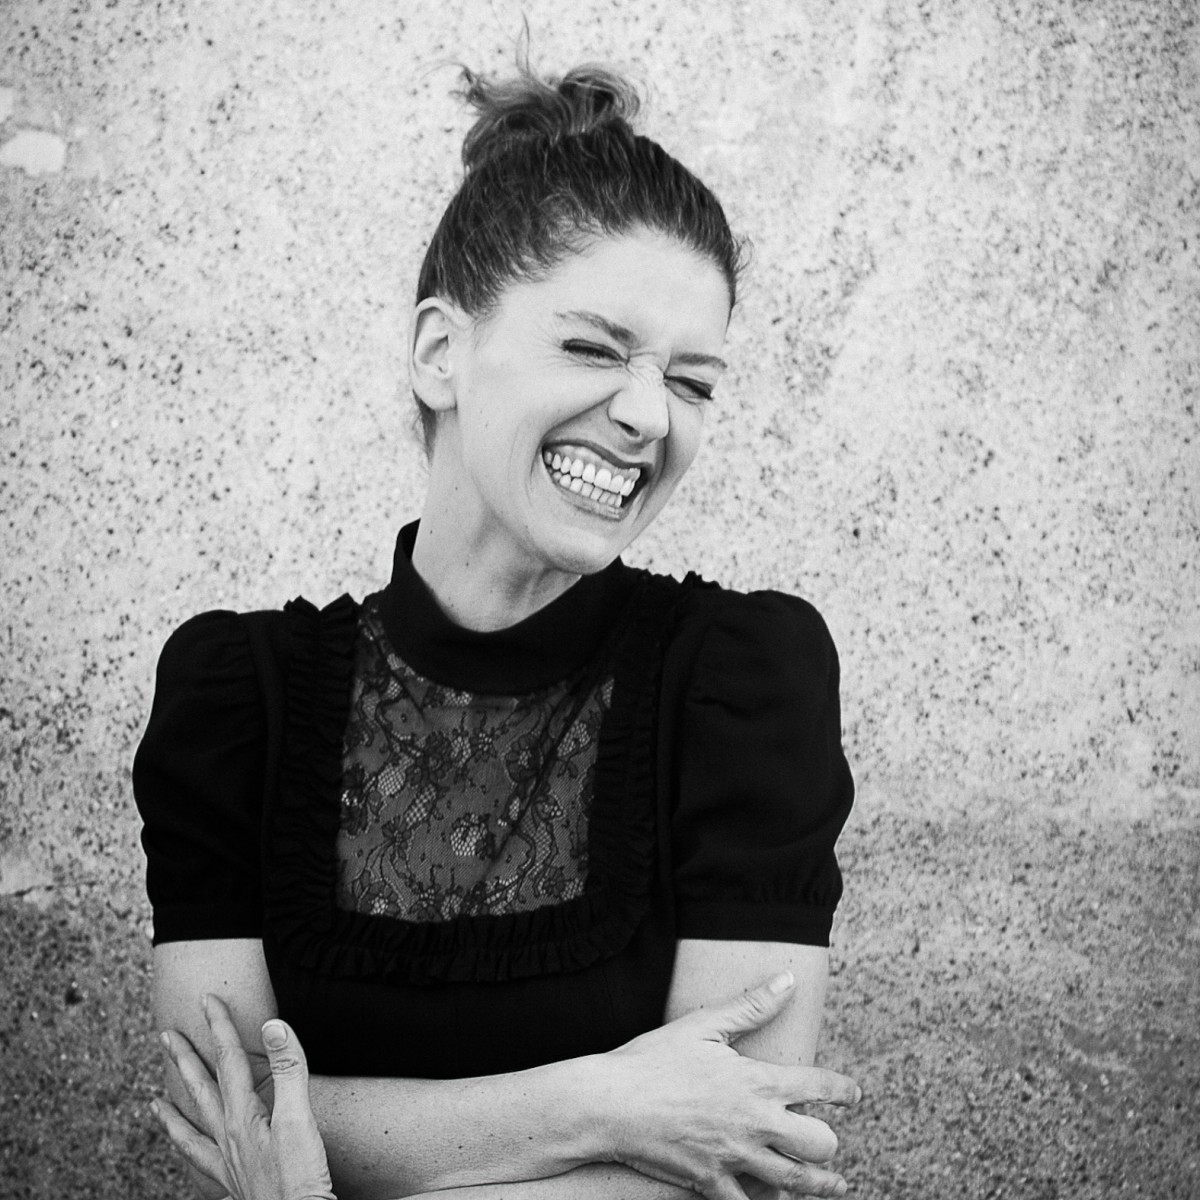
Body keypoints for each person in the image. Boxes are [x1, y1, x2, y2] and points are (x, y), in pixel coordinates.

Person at [135, 58, 858, 1200]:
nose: (647, 414)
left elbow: (736, 1153)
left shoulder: (742, 685)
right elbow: (224, 1107)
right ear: (441, 353)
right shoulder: (237, 701)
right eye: (594, 348)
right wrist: (604, 1104)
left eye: (693, 382)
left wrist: (342, 1151)